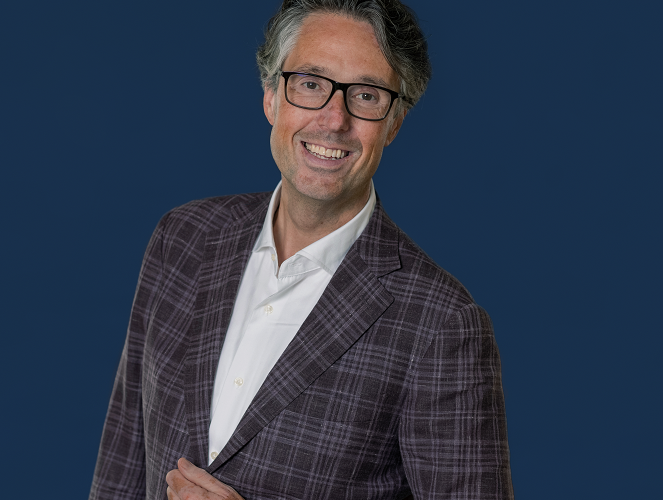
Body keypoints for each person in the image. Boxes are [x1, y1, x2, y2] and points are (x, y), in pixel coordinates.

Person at [89, 1, 513, 498]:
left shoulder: (441, 324)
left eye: (366, 95)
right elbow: (122, 465)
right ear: (271, 96)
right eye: (311, 84)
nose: (334, 120)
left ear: (394, 123)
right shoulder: (182, 239)